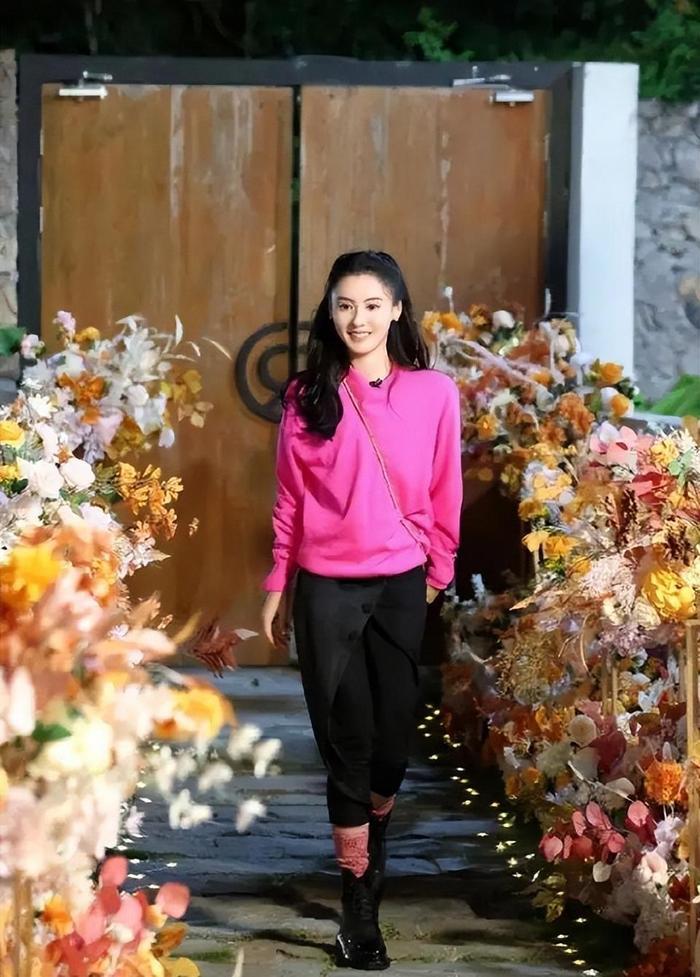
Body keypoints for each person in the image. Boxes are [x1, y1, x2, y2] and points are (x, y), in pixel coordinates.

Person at [262, 250, 462, 971]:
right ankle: (358, 902)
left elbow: (445, 487)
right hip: (326, 589)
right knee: (346, 744)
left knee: (392, 749)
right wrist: (278, 584)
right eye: (345, 305)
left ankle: (371, 837)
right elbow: (290, 498)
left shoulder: (434, 393)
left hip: (403, 583)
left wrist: (439, 570)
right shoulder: (307, 394)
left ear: (397, 309)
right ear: (330, 311)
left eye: (373, 305)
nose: (358, 319)